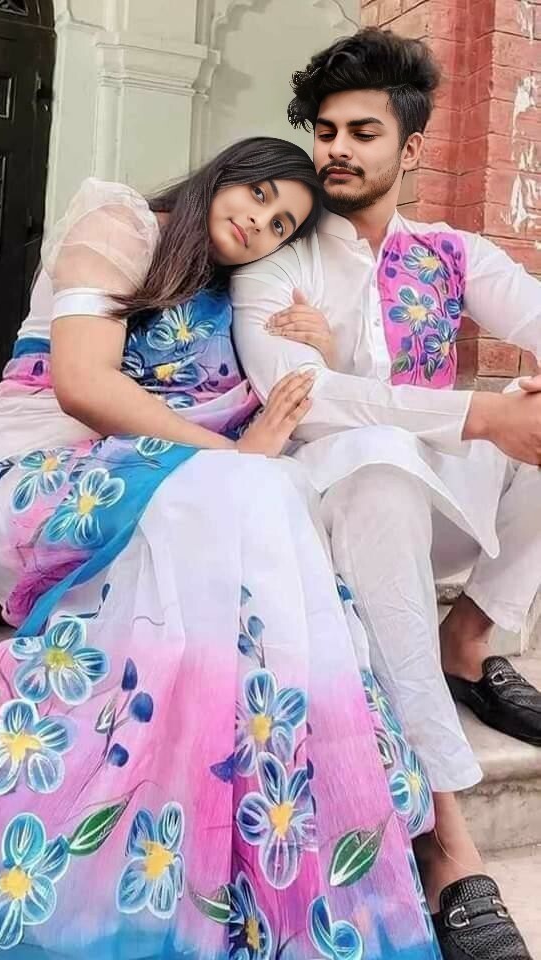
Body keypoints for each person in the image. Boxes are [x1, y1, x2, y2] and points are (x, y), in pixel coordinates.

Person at [0, 138, 440, 959]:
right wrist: (231, 454)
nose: (259, 224)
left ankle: (270, 811)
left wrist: (319, 351)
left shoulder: (241, 296)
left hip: (174, 479)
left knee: (267, 494)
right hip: (45, 470)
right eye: (257, 195)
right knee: (249, 488)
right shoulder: (123, 222)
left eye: (281, 225)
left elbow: (291, 405)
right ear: (221, 174)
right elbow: (82, 383)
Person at [230, 30, 540, 960]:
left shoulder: (451, 253)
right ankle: (445, 838)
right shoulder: (278, 254)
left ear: (410, 147)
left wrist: (511, 409)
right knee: (374, 460)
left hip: (428, 505)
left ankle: (468, 641)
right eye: (326, 130)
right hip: (324, 508)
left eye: (362, 132)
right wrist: (478, 414)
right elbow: (302, 398)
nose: (336, 149)